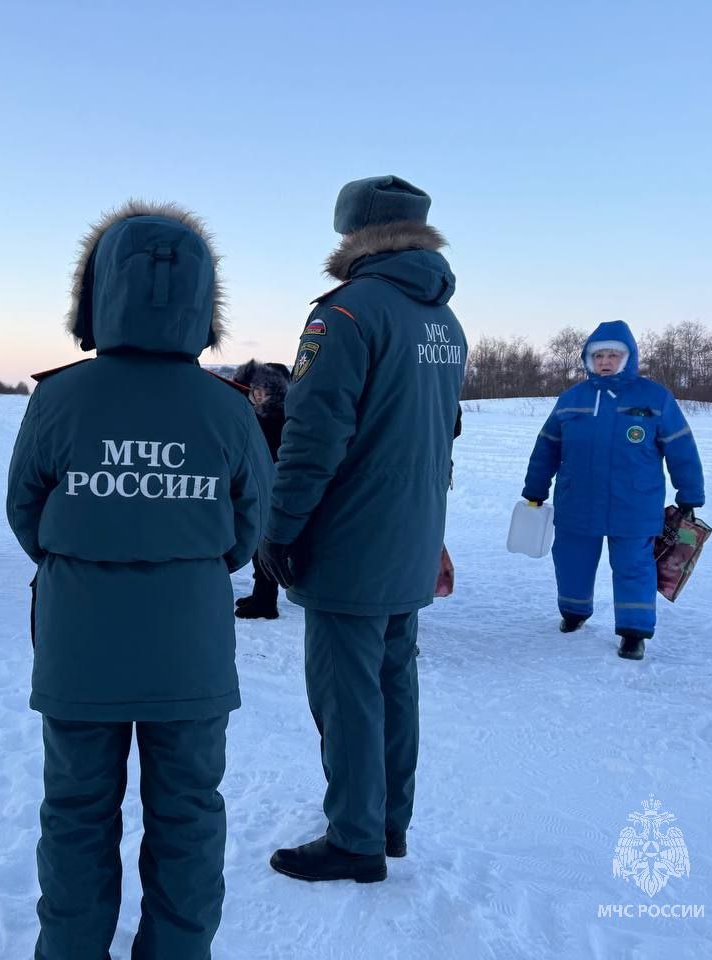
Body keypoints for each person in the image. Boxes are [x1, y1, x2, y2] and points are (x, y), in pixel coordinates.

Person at [6, 200, 272, 959]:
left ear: (97, 294)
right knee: (188, 814)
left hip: (80, 644)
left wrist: (84, 552)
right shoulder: (227, 409)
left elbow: (25, 510)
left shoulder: (59, 398)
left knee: (76, 813)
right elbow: (250, 525)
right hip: (190, 647)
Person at [259, 176, 466, 883]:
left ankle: (355, 837)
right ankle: (387, 822)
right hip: (410, 534)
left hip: (350, 538)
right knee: (393, 681)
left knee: (346, 691)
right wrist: (432, 531)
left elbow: (312, 433)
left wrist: (279, 528)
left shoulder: (345, 313)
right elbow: (440, 437)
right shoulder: (444, 321)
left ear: (352, 233)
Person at [522, 321, 704, 660]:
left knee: (634, 566)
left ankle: (634, 633)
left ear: (628, 357)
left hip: (634, 503)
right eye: (599, 355)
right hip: (578, 500)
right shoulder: (572, 399)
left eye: (613, 355)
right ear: (588, 359)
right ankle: (573, 612)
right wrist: (535, 489)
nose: (605, 361)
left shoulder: (654, 398)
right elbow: (547, 446)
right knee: (572, 560)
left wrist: (690, 494)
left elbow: (681, 447)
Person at [230, 359, 290, 618]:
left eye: (262, 388)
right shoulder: (258, 415)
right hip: (263, 486)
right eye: (254, 387)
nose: (256, 393)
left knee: (264, 545)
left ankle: (266, 602)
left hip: (273, 488)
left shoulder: (277, 418)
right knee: (258, 545)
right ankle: (261, 595)